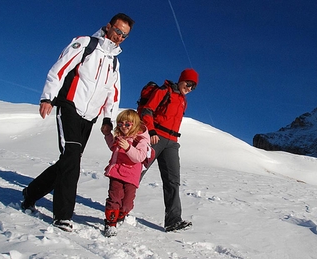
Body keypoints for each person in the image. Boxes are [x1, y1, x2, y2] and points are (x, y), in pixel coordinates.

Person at [21, 13, 135, 232]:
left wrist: (107, 119)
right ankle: (63, 215)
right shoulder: (85, 44)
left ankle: (31, 192)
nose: (120, 37)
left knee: (68, 161)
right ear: (109, 26)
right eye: (118, 31)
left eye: (125, 35)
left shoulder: (114, 62)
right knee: (72, 159)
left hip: (90, 117)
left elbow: (113, 92)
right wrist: (48, 97)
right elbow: (59, 69)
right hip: (70, 106)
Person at [139, 68, 199, 232]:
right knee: (137, 171)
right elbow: (147, 110)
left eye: (193, 87)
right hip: (155, 136)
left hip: (172, 142)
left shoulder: (183, 101)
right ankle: (120, 207)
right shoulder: (165, 91)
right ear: (181, 80)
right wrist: (151, 131)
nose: (189, 88)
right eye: (188, 83)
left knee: (173, 181)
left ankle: (173, 221)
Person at [102, 109, 150, 237]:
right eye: (120, 124)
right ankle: (111, 223)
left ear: (135, 125)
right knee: (114, 197)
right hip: (117, 172)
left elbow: (139, 157)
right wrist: (108, 135)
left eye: (127, 124)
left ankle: (121, 215)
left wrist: (128, 148)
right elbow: (112, 146)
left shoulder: (141, 140)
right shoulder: (120, 137)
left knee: (127, 202)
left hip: (131, 176)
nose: (123, 127)